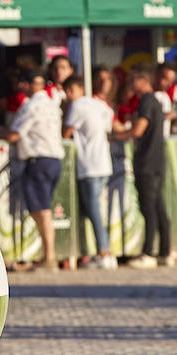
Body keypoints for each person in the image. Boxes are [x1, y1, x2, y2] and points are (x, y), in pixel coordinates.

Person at [6, 70, 64, 270]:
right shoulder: (51, 104)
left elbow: (15, 134)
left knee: (42, 211)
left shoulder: (32, 105)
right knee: (43, 210)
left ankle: (49, 257)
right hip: (54, 160)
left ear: (27, 85)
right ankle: (48, 255)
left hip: (38, 160)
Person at [118, 65, 174, 269]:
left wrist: (116, 136)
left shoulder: (147, 101)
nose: (131, 86)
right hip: (157, 160)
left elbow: (138, 130)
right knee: (158, 207)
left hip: (147, 162)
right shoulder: (157, 102)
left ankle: (148, 252)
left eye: (133, 81)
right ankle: (165, 251)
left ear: (143, 80)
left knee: (148, 208)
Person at [63, 73, 116, 270]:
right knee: (91, 210)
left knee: (93, 211)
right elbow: (111, 125)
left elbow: (65, 133)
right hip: (103, 163)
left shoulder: (77, 106)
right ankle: (94, 251)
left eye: (72, 90)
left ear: (80, 90)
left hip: (89, 164)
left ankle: (104, 251)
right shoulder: (98, 104)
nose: (69, 94)